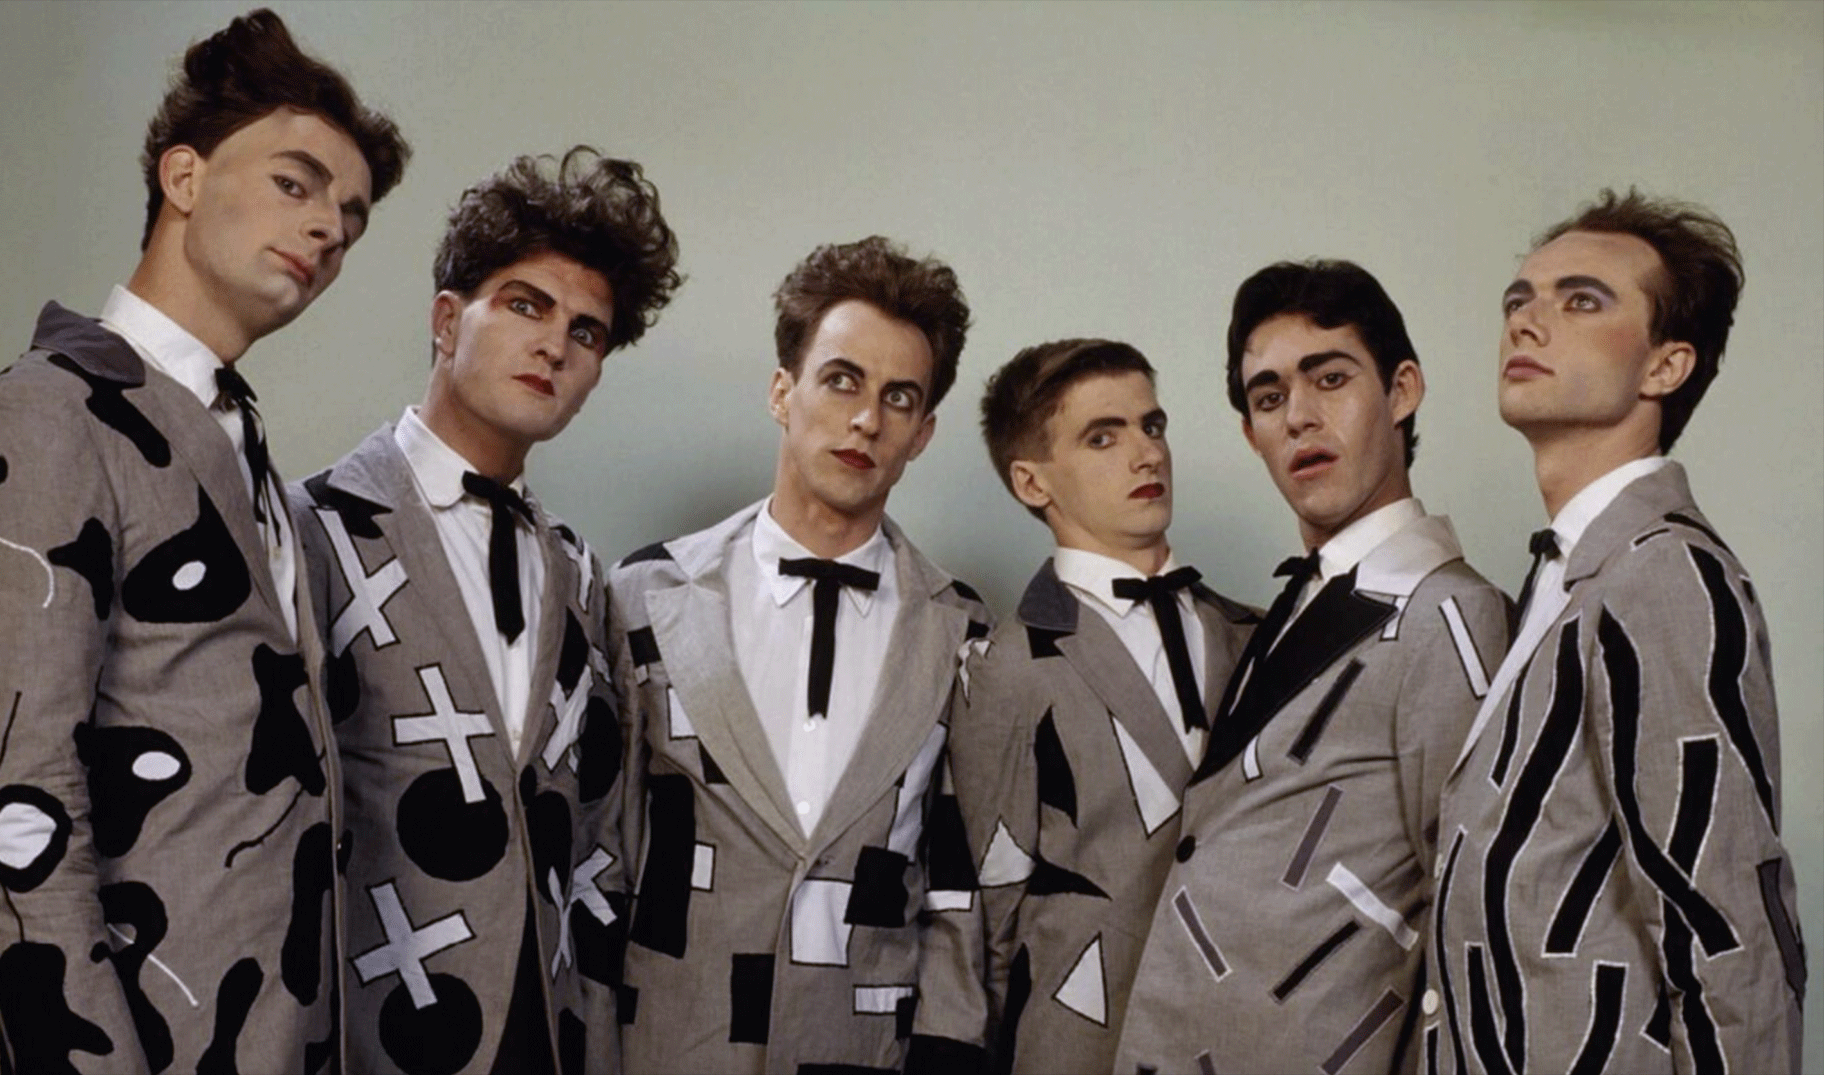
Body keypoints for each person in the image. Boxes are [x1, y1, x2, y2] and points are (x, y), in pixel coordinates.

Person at [0, 9, 408, 1073]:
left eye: (353, 215)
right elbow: (15, 811)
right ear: (182, 178)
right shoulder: (42, 417)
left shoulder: (253, 458)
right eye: (297, 182)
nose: (330, 226)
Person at [290, 148, 680, 1075]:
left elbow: (594, 826)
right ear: (445, 320)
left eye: (587, 332)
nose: (554, 344)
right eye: (524, 304)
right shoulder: (308, 531)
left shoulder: (582, 575)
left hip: (539, 1034)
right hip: (358, 1029)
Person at [595, 236, 990, 1073]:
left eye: (898, 397)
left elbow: (959, 889)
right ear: (784, 391)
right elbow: (600, 850)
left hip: (862, 1049)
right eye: (841, 380)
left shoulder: (961, 631)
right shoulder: (648, 595)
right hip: (666, 1045)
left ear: (922, 433)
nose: (865, 420)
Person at [1430, 190, 1803, 1074]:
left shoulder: (1666, 575)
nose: (1528, 321)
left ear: (1666, 365)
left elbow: (1728, 931)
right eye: (1519, 299)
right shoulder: (1564, 578)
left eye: (1581, 300)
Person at [1112, 260, 1508, 1074]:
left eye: (1330, 378)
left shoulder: (1451, 617)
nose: (1299, 416)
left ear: (1402, 391)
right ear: (1251, 431)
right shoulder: (1292, 603)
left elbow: (1472, 915)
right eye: (1268, 397)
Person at [911, 338, 1259, 1072]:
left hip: (1247, 1039)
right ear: (1033, 481)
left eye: (1151, 425)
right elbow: (983, 912)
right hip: (1075, 1046)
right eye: (1104, 436)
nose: (1146, 454)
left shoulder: (1259, 634)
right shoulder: (1004, 668)